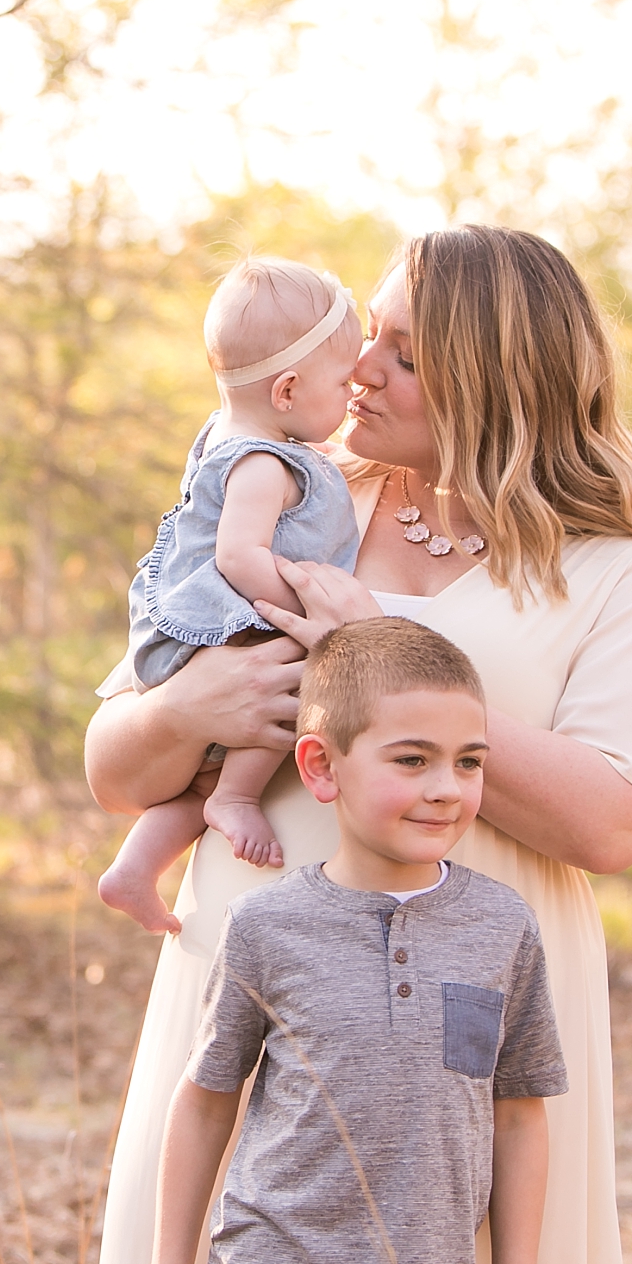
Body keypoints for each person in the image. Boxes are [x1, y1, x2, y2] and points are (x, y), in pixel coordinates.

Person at [81, 225, 632, 1264]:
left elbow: (612, 818)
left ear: (495, 377)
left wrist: (380, 675)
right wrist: (183, 712)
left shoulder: (617, 574)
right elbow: (116, 767)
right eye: (369, 338)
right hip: (260, 983)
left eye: (400, 348)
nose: (361, 368)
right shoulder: (290, 498)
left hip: (463, 1027)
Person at [148, 618, 564, 1264]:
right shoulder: (267, 927)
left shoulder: (501, 928)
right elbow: (203, 1104)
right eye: (412, 759)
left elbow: (519, 1119)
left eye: (469, 761)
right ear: (321, 767)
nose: (447, 787)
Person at [97, 257, 364, 935]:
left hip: (193, 626)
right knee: (285, 687)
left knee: (202, 782)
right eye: (343, 380)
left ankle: (135, 867)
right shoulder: (268, 462)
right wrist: (304, 610)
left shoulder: (228, 433)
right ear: (288, 390)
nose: (355, 388)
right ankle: (241, 797)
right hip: (228, 625)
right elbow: (237, 555)